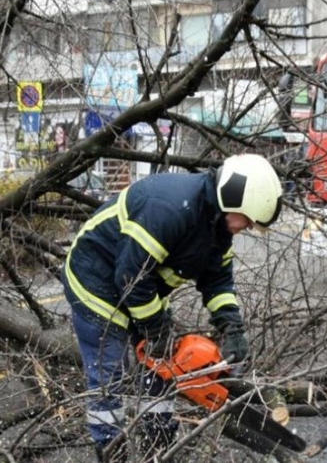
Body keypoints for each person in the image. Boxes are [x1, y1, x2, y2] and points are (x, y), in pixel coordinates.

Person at [62, 153, 283, 462]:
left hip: (141, 288)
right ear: (231, 199)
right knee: (108, 376)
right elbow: (130, 277)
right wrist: (155, 328)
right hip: (96, 282)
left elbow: (217, 279)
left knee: (160, 369)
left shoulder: (218, 226)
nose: (246, 227)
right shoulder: (168, 209)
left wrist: (231, 326)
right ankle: (112, 450)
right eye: (246, 219)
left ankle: (160, 442)